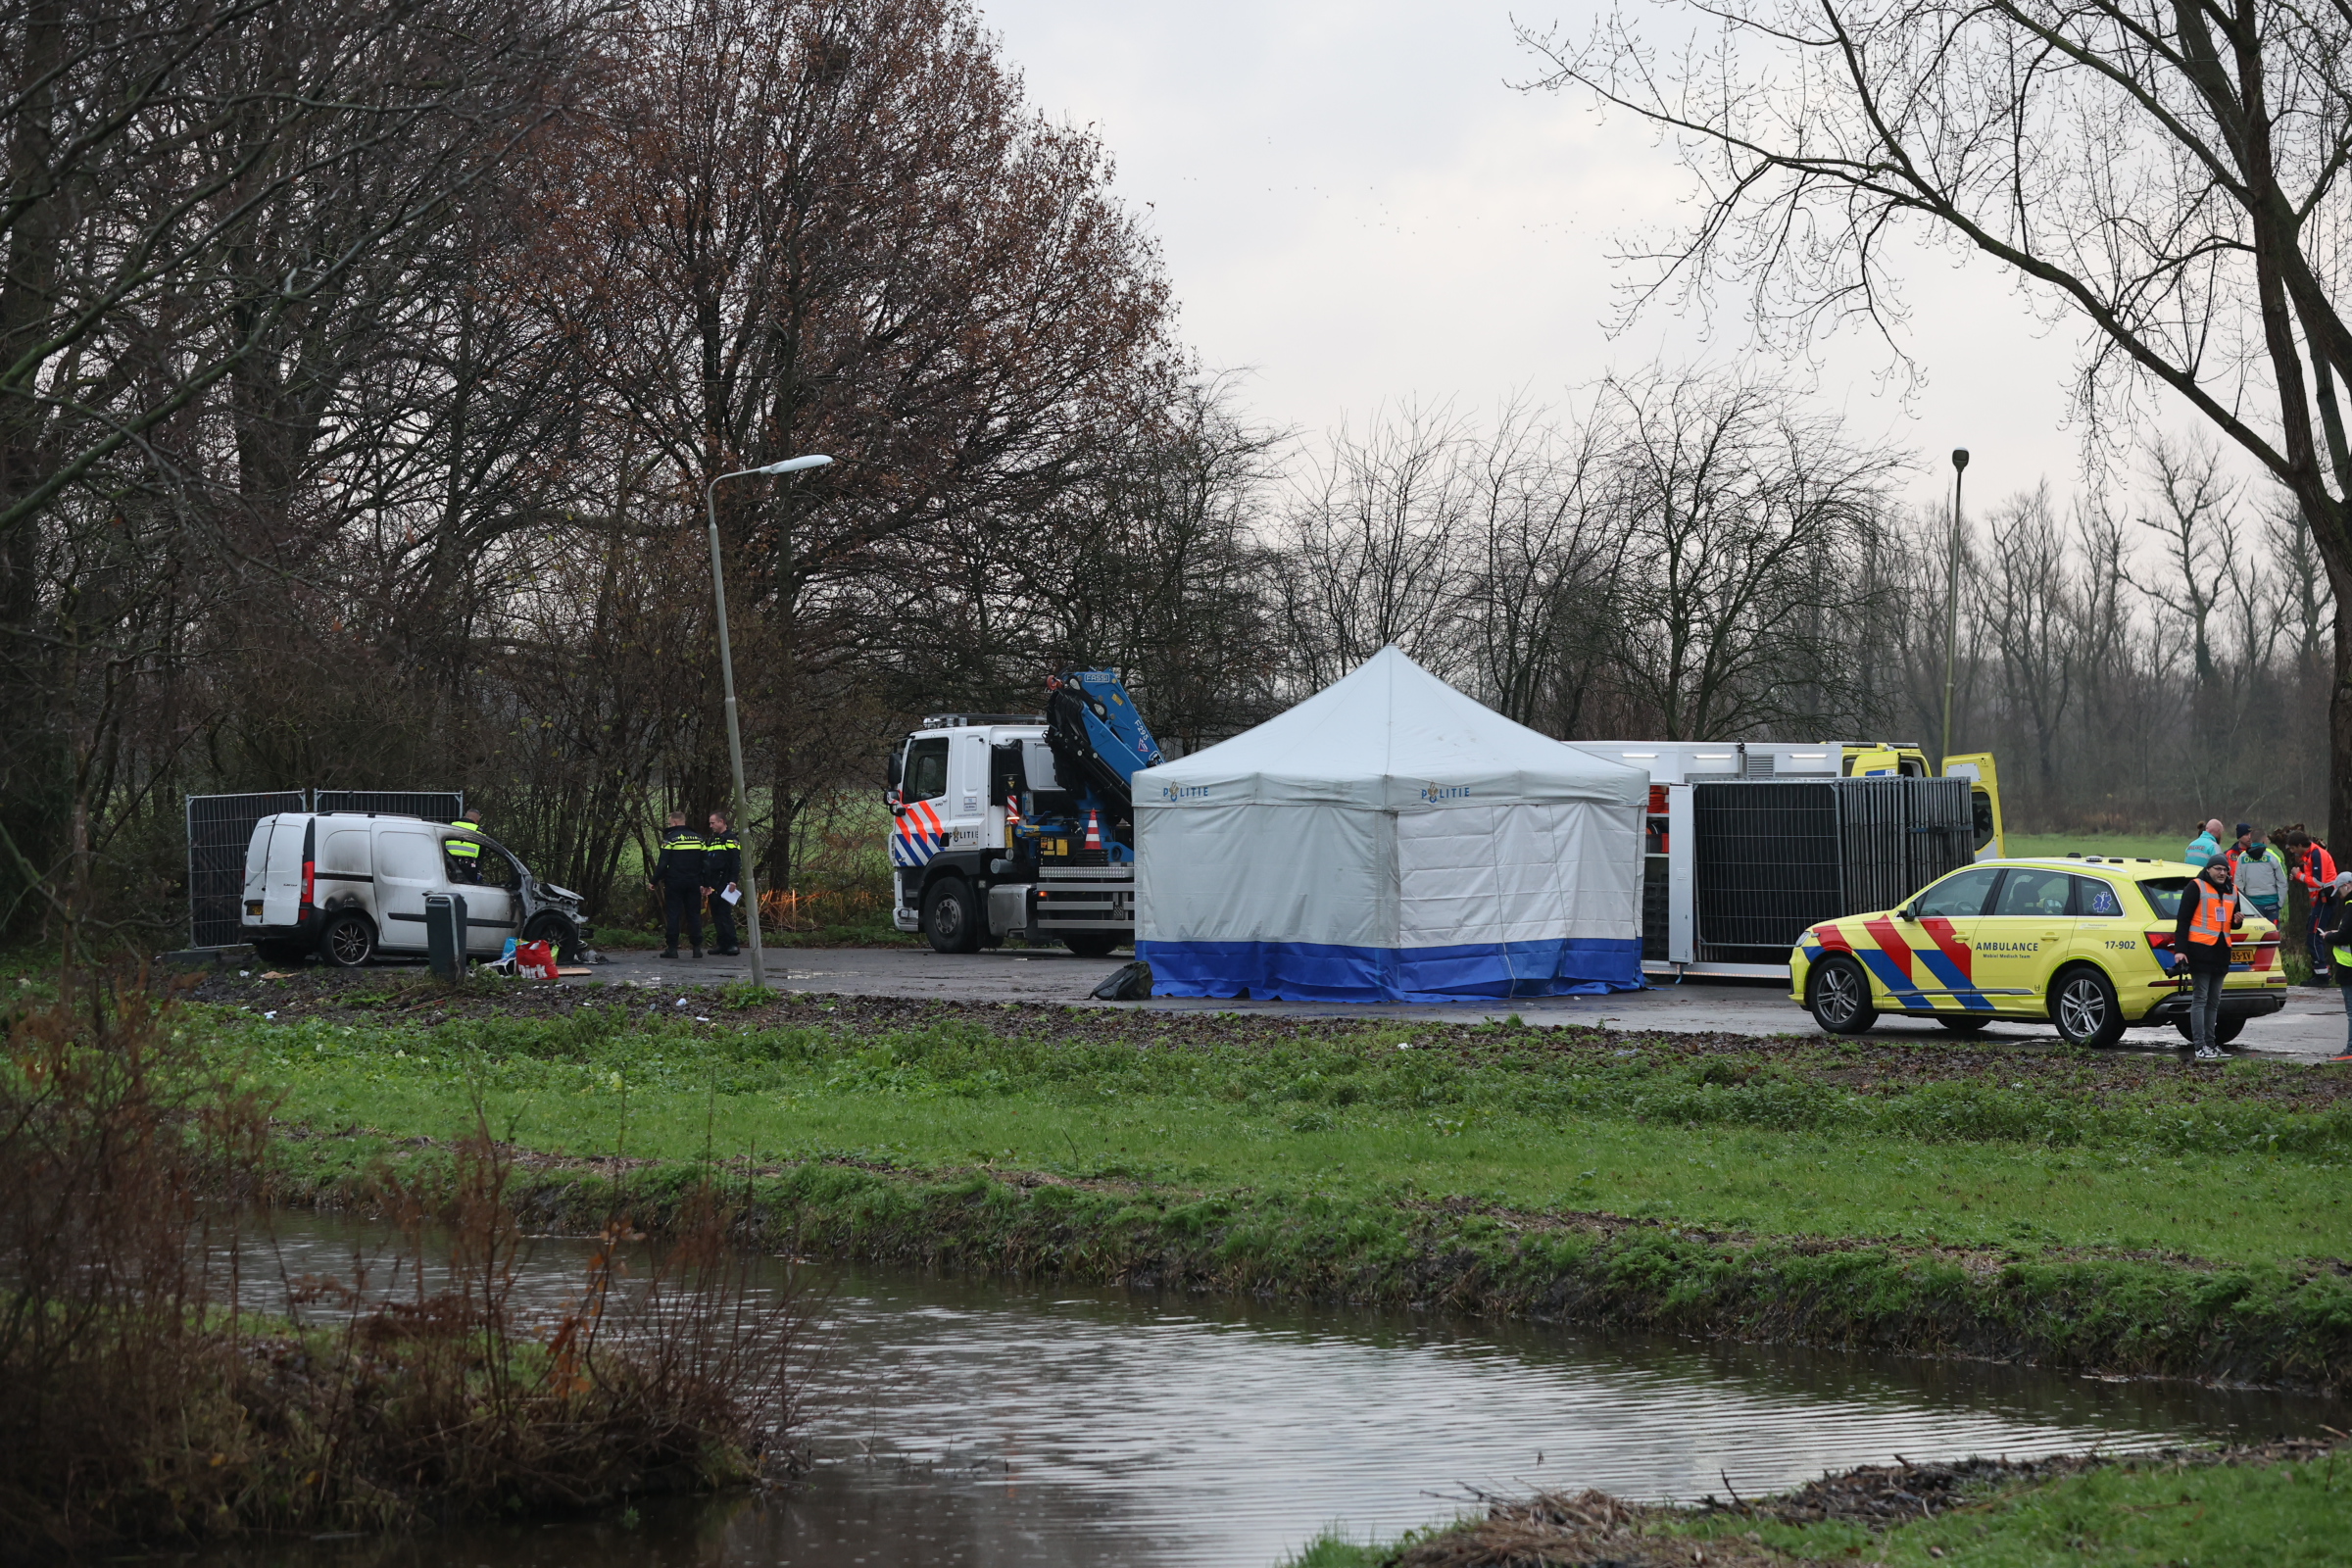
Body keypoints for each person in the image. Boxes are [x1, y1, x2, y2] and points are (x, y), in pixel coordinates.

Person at [2175, 852, 2246, 1061]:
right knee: (2201, 998)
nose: (2222, 873)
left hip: (2222, 951)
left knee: (2214, 1001)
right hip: (2200, 950)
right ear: (2209, 870)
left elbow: (2233, 921)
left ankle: (2211, 1044)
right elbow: (2183, 920)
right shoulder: (2196, 887)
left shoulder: (2233, 890)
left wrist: (2238, 921)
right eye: (2218, 869)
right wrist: (2180, 951)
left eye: (2225, 870)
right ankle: (2200, 1046)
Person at [650, 810, 706, 959]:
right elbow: (705, 862)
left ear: (674, 822)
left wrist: (654, 880)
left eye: (670, 823)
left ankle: (672, 948)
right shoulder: (699, 838)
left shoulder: (670, 839)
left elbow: (663, 863)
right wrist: (705, 882)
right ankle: (697, 948)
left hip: (675, 881)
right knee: (694, 914)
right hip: (694, 881)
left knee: (674, 914)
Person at [2319, 872, 2352, 1063]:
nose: (2339, 896)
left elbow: (2346, 936)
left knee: (2351, 1012)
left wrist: (2329, 937)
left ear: (2347, 886)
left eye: (2339, 891)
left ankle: (2350, 1050)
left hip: (2349, 968)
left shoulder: (2351, 906)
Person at [703, 810, 744, 957]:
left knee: (725, 913)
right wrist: (705, 883)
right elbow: (707, 863)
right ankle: (722, 943)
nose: (711, 825)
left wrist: (733, 880)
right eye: (710, 823)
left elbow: (735, 861)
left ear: (722, 822)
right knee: (716, 913)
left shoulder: (731, 839)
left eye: (713, 823)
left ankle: (732, 944)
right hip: (713, 881)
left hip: (725, 880)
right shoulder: (712, 840)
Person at [2234, 831, 2287, 925]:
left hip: (2251, 904)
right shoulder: (2273, 856)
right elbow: (2282, 881)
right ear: (2264, 840)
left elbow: (2238, 882)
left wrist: (2243, 904)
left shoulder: (2242, 857)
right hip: (2271, 904)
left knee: (2253, 934)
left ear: (2251, 840)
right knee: (2272, 934)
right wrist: (2280, 903)